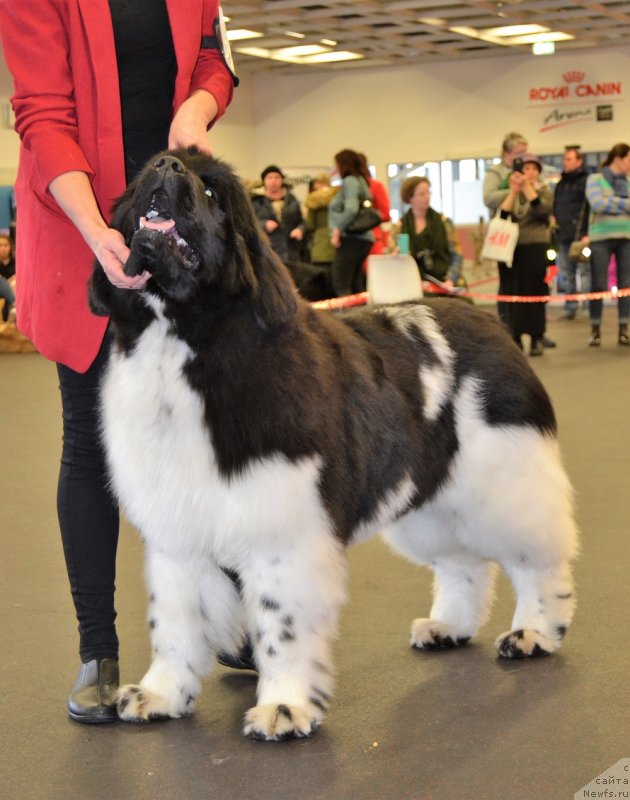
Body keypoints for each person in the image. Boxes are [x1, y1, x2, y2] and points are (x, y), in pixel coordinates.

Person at [0, 0, 236, 724]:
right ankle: (98, 650)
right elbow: (43, 116)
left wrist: (196, 110)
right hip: (80, 229)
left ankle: (234, 624)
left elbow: (214, 58)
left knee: (212, 434)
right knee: (92, 445)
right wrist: (100, 229)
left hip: (182, 230)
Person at [499, 154, 553, 356]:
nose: (529, 172)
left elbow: (543, 212)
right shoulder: (514, 193)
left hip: (536, 248)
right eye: (525, 169)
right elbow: (503, 215)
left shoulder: (544, 191)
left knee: (536, 292)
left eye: (533, 169)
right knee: (514, 293)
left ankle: (537, 335)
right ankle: (516, 336)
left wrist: (528, 188)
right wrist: (514, 191)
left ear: (538, 172)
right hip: (512, 250)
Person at [584, 143, 630, 347]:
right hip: (600, 238)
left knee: (626, 285)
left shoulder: (628, 181)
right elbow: (597, 204)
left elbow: (605, 203)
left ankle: (624, 329)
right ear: (618, 158)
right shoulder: (595, 179)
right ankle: (595, 330)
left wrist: (610, 202)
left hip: (626, 237)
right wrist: (625, 204)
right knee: (598, 284)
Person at [328, 149, 375, 296]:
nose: (335, 168)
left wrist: (337, 231)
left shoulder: (350, 182)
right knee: (356, 284)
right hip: (363, 240)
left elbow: (351, 209)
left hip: (352, 239)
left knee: (341, 284)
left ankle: (348, 318)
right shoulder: (361, 181)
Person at [552, 147, 591, 320]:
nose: (565, 162)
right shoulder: (561, 183)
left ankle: (590, 305)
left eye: (569, 159)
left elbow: (590, 208)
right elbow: (556, 205)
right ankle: (571, 307)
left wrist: (587, 233)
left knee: (585, 272)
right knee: (567, 274)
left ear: (579, 161)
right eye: (564, 159)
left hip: (581, 236)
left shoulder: (587, 181)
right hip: (563, 235)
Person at [398, 176, 453, 287]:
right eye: (422, 194)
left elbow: (456, 254)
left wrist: (451, 278)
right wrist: (395, 255)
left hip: (443, 281)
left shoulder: (444, 222)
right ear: (410, 198)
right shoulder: (400, 226)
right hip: (412, 282)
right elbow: (395, 258)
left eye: (428, 192)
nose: (427, 197)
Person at [251, 165, 305, 264]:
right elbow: (249, 223)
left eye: (277, 177)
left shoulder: (292, 199)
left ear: (282, 180)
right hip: (267, 251)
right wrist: (264, 224)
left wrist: (300, 229)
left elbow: (302, 221)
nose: (273, 181)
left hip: (291, 251)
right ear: (264, 181)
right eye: (270, 178)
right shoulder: (255, 201)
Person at [303, 173, 339, 295]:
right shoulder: (338, 196)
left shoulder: (313, 200)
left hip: (320, 243)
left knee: (321, 279)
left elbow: (310, 224)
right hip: (337, 240)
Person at [358, 153, 391, 254]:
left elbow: (385, 214)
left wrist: (366, 220)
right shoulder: (346, 189)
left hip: (372, 240)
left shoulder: (376, 186)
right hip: (352, 241)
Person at [0, 232, 15, 323]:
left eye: (6, 245)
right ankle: (15, 304)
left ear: (10, 247)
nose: (3, 248)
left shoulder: (16, 262)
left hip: (14, 288)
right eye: (0, 245)